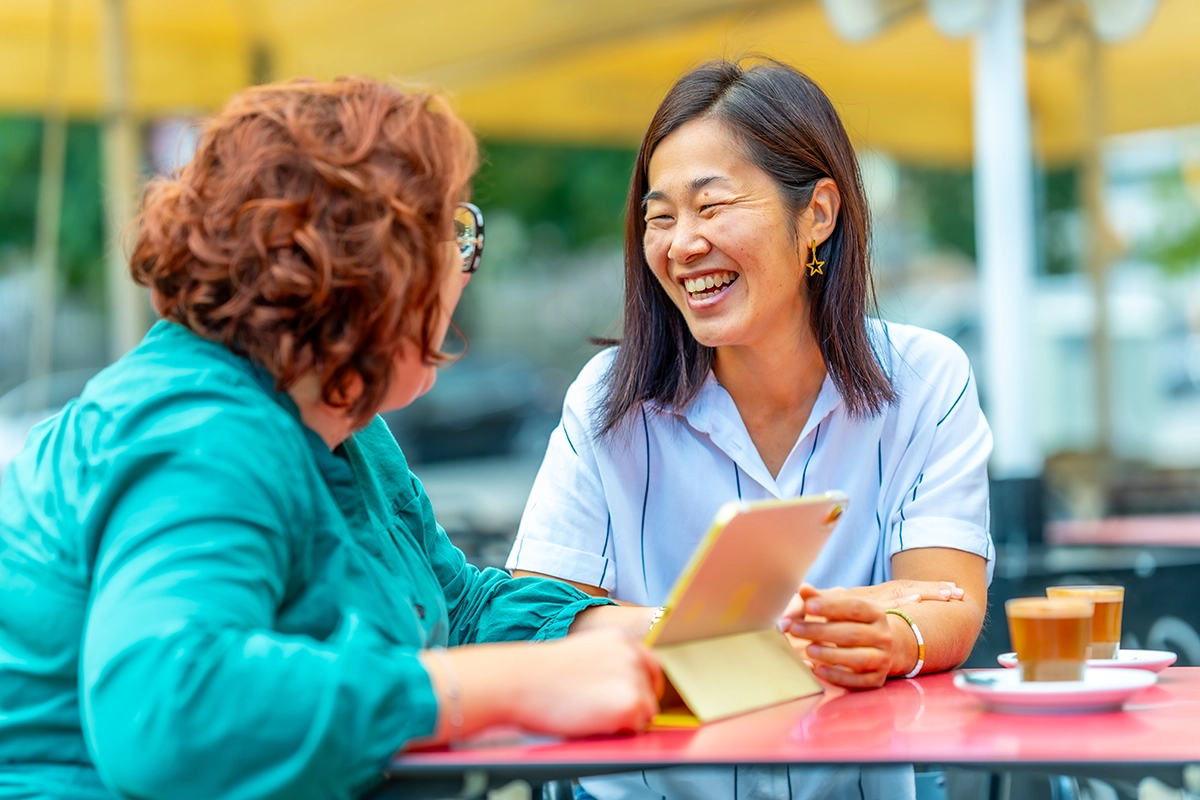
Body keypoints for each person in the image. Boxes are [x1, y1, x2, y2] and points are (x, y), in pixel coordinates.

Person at [0, 77, 663, 800]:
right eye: (455, 231)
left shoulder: (340, 427)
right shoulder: (199, 429)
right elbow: (167, 710)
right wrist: (490, 690)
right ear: (370, 267)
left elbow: (454, 611)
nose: (465, 268)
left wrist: (659, 638)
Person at [508, 58, 993, 800]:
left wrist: (893, 637)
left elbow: (946, 601)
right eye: (660, 217)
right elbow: (538, 619)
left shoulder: (926, 379)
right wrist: (748, 627)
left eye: (714, 205)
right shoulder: (607, 401)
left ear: (818, 214)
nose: (682, 244)